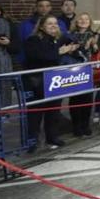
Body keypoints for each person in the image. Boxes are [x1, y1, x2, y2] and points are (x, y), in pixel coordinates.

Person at [24, 15, 77, 151]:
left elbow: (75, 41)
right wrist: (59, 51)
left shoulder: (58, 39)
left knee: (54, 111)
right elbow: (41, 56)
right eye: (49, 24)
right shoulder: (33, 40)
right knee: (35, 113)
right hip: (37, 81)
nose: (54, 26)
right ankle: (32, 141)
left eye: (56, 24)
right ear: (41, 26)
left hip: (55, 80)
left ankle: (52, 137)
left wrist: (71, 42)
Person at [64, 13, 98, 137]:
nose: (83, 21)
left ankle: (85, 125)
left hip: (89, 70)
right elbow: (69, 51)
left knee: (88, 99)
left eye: (86, 19)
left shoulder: (94, 35)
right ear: (76, 22)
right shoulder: (69, 35)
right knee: (75, 99)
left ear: (90, 22)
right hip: (74, 70)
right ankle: (76, 126)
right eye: (81, 19)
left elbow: (98, 52)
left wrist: (94, 45)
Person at [17, 0, 52, 66]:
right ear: (36, 8)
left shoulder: (59, 23)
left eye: (47, 6)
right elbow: (20, 44)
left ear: (51, 8)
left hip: (53, 62)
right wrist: (23, 61)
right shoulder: (25, 25)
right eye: (41, 6)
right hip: (32, 63)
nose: (44, 9)